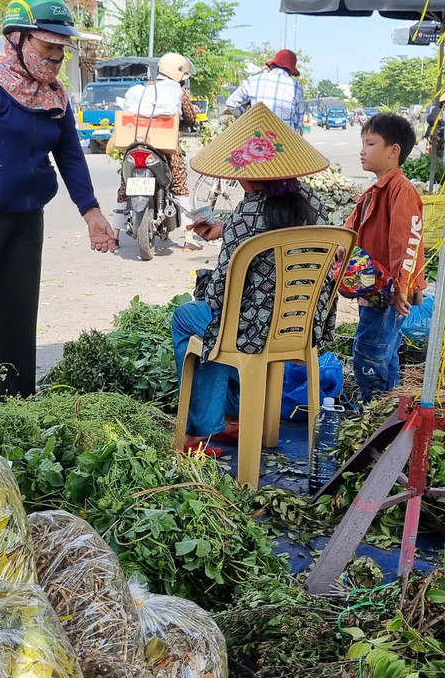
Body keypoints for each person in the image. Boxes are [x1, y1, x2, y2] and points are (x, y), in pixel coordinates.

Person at [0, 0, 116, 398]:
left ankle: (15, 404)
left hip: (27, 220)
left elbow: (70, 156)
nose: (55, 57)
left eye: (61, 48)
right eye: (47, 45)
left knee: (19, 315)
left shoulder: (56, 95)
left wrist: (91, 212)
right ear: (17, 38)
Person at [171, 103, 336, 454]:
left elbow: (220, 294)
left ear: (245, 175)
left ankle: (201, 432)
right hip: (303, 327)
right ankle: (233, 419)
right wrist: (226, 228)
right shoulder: (313, 203)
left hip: (251, 332)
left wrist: (223, 245)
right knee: (219, 325)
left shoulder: (245, 215)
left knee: (192, 318)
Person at [345, 113, 427, 401]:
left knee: (370, 352)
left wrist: (401, 286)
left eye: (370, 144)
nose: (362, 151)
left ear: (393, 151)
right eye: (363, 144)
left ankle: (374, 409)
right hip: (374, 287)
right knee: (385, 351)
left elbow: (406, 243)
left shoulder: (401, 190)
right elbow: (350, 231)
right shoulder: (375, 189)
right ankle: (390, 408)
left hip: (390, 290)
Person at [112, 52, 202, 250]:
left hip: (136, 143)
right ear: (178, 73)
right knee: (180, 186)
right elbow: (189, 118)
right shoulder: (178, 91)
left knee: (124, 187)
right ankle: (188, 237)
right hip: (165, 148)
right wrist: (188, 117)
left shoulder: (145, 89)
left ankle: (115, 235)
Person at [224, 49, 304, 133]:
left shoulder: (253, 80)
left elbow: (231, 103)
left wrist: (246, 118)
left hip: (256, 136)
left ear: (272, 66)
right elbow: (298, 123)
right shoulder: (297, 87)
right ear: (291, 71)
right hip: (284, 137)